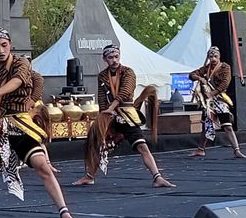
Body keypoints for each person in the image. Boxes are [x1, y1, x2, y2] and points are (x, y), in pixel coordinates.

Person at [0, 27, 84, 218]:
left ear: (10, 45)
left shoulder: (21, 63)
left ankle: (64, 213)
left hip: (19, 122)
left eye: (4, 45)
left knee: (41, 165)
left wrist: (2, 98)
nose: (0, 50)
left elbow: (18, 81)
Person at [73, 44, 175, 187]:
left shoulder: (128, 72)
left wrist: (111, 108)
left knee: (142, 147)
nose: (114, 60)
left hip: (127, 115)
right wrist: (103, 118)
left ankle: (157, 177)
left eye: (116, 56)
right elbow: (102, 98)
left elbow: (125, 92)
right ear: (104, 59)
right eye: (110, 58)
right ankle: (90, 176)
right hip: (110, 116)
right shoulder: (102, 76)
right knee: (98, 145)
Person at [188, 47, 246, 159]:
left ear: (219, 56)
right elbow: (191, 75)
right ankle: (200, 149)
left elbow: (225, 83)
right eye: (211, 57)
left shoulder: (225, 67)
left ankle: (236, 150)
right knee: (206, 125)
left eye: (215, 56)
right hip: (209, 103)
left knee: (227, 126)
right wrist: (200, 78)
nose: (213, 59)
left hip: (219, 100)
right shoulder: (207, 68)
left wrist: (213, 93)